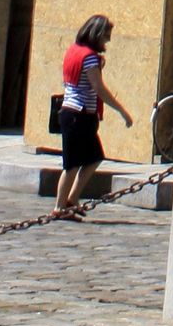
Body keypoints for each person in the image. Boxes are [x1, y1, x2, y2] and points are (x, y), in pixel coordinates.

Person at [53, 12, 132, 218]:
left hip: (76, 114)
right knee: (71, 164)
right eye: (106, 34)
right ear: (96, 34)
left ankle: (72, 199)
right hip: (78, 115)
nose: (108, 39)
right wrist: (123, 111)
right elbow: (99, 89)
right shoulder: (89, 57)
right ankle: (60, 207)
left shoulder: (74, 50)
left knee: (94, 157)